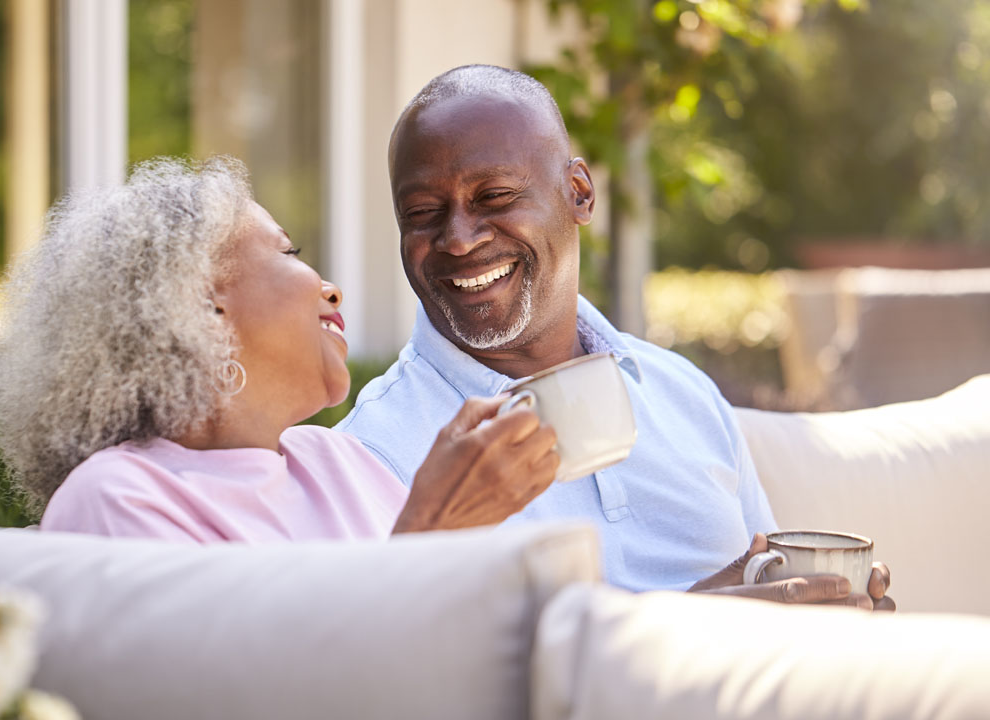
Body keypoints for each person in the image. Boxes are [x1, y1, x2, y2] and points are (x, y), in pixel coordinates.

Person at [336, 64, 893, 609]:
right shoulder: (375, 451)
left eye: (495, 196)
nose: (457, 240)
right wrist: (686, 628)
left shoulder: (681, 392)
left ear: (578, 193)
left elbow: (767, 579)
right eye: (423, 212)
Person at [0, 157, 561, 543]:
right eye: (288, 253)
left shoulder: (342, 462)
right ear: (201, 309)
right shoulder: (117, 498)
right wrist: (433, 532)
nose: (331, 288)